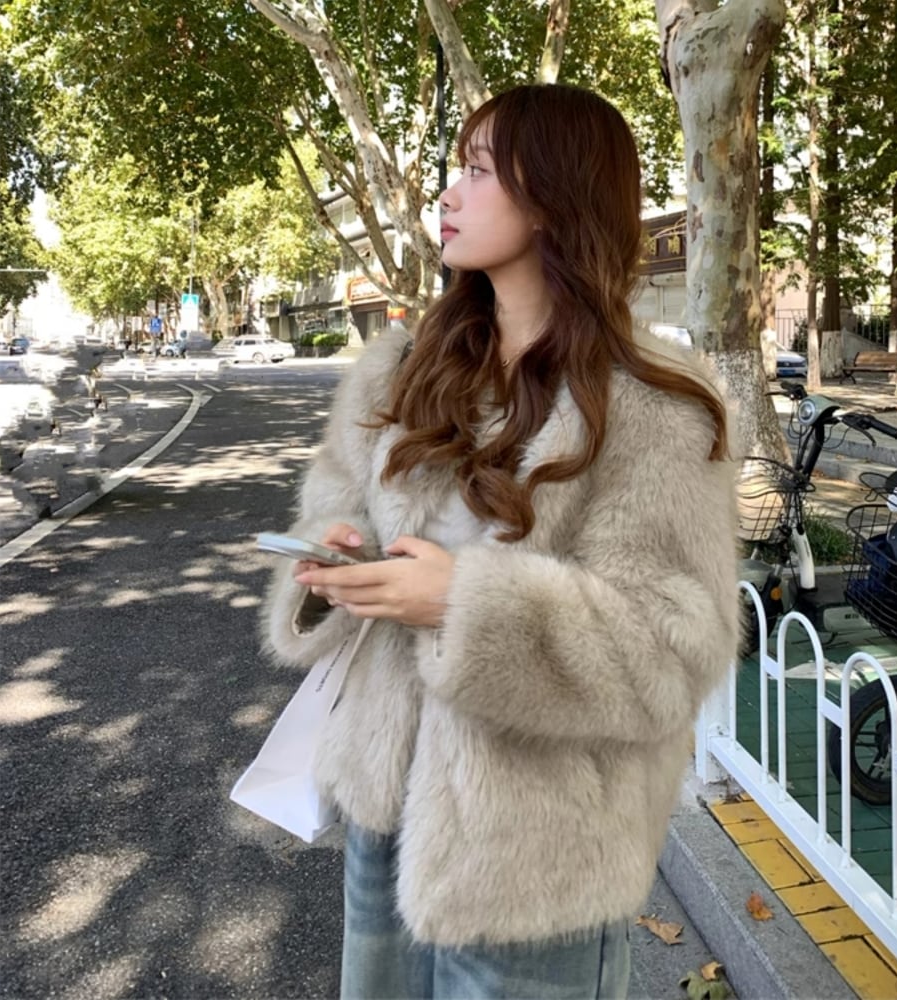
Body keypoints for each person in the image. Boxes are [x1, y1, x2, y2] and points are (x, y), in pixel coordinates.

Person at [262, 83, 739, 999]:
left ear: (553, 196)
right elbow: (330, 511)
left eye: (478, 171)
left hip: (539, 858)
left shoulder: (656, 404)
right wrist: (329, 566)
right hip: (387, 811)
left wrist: (464, 604)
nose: (448, 193)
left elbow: (673, 648)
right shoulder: (400, 376)